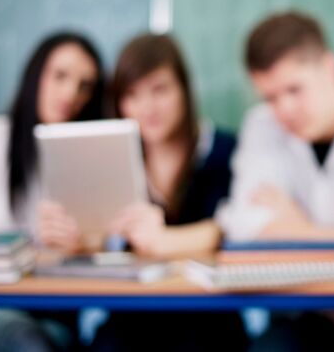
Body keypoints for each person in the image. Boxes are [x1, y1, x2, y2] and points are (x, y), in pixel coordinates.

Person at [0, 31, 106, 351]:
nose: (70, 93)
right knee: (19, 336)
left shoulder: (83, 159)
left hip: (49, 315)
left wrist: (82, 246)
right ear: (35, 75)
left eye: (85, 85)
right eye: (60, 76)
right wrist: (38, 252)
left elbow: (102, 254)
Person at [86, 33, 248, 351]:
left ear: (184, 90)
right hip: (132, 315)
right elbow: (100, 241)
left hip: (208, 316)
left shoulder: (225, 151)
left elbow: (230, 230)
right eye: (131, 95)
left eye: (159, 90)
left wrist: (163, 240)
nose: (147, 108)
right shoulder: (112, 161)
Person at [217, 11, 334, 242]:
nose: (285, 110)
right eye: (270, 98)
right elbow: (243, 224)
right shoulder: (262, 124)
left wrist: (303, 229)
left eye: (294, 90)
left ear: (331, 68)